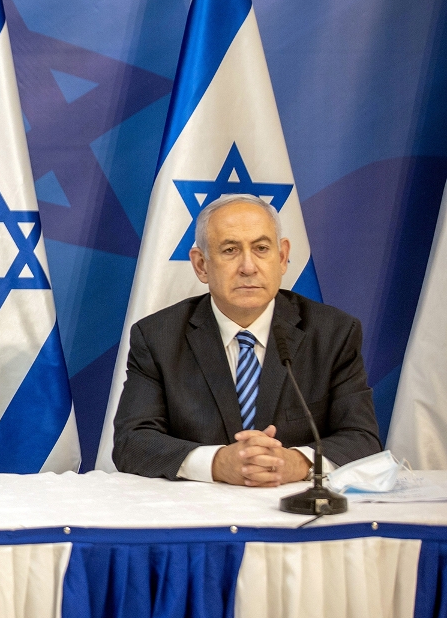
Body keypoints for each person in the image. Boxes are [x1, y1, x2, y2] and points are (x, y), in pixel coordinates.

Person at [113, 193, 381, 486]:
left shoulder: (333, 333)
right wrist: (216, 463)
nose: (248, 267)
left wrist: (297, 462)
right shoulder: (158, 337)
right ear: (201, 264)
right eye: (230, 250)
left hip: (294, 512)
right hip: (199, 515)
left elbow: (362, 439)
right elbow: (132, 443)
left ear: (281, 257)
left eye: (262, 248)